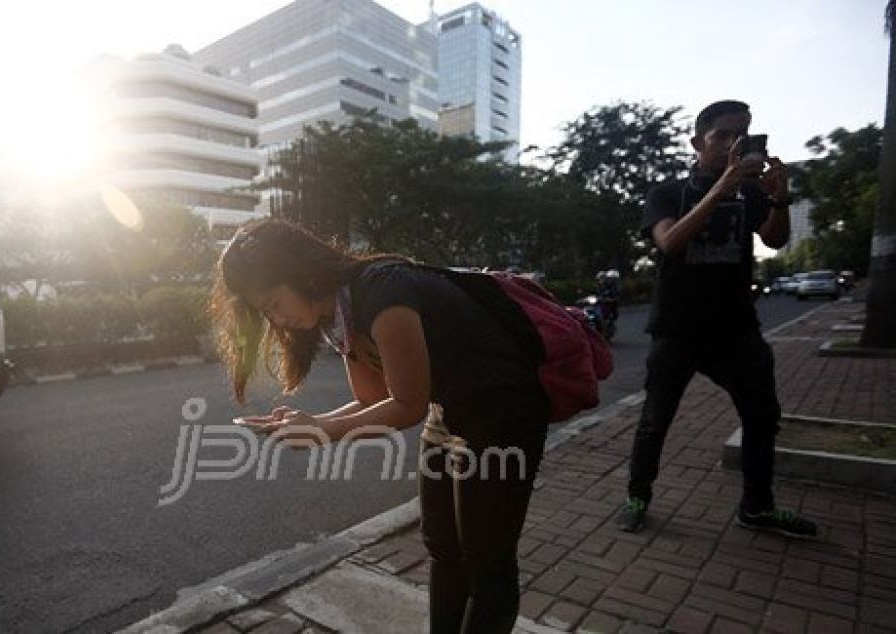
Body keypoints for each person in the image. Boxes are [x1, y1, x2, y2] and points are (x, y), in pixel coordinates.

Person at [210, 219, 551, 634]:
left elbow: (408, 406)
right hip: (450, 410)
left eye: (275, 303)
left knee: (487, 561)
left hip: (504, 410)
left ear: (302, 273)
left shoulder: (384, 294)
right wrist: (313, 423)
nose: (276, 320)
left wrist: (322, 430)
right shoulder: (340, 313)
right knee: (442, 547)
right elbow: (375, 401)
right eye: (266, 312)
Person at [615, 100, 816, 538]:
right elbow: (669, 243)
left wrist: (780, 198)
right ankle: (637, 496)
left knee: (762, 416)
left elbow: (776, 240)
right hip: (677, 326)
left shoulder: (753, 194)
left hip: (736, 329)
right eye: (721, 136)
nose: (732, 144)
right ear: (697, 143)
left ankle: (758, 507)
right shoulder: (668, 193)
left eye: (740, 136)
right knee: (655, 419)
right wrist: (718, 191)